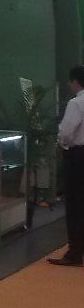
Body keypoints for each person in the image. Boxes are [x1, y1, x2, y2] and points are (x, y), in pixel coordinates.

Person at [48, 65, 84, 268]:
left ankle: (75, 252)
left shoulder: (76, 103)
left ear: (75, 81)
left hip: (78, 156)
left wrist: (61, 143)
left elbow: (66, 132)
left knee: (75, 204)